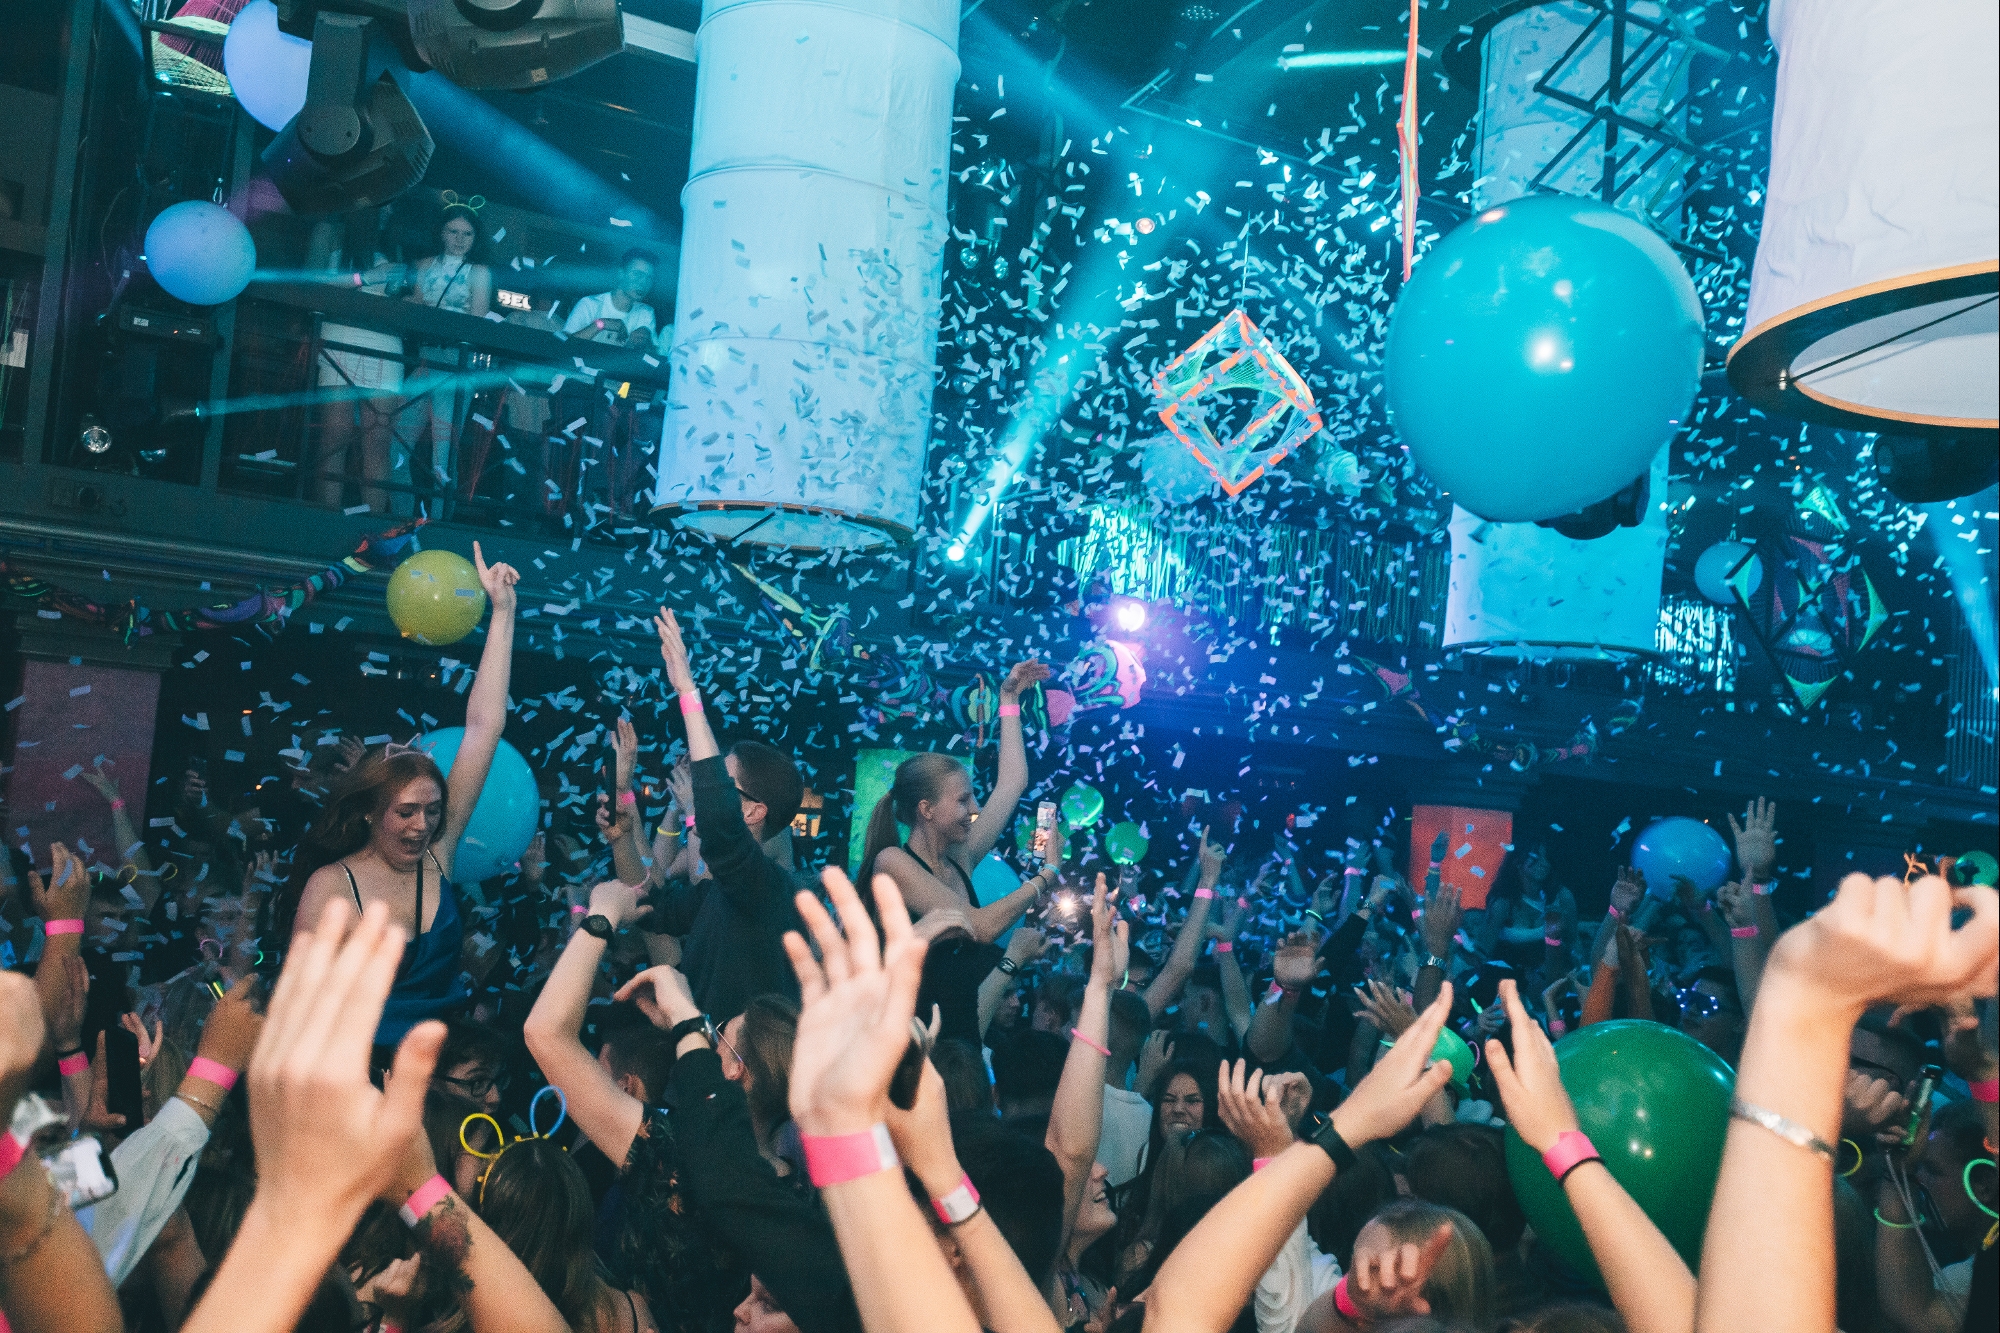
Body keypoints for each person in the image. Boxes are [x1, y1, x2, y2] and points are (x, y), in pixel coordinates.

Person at [268, 543, 518, 1046]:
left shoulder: (439, 857)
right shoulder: (331, 885)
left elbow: (484, 726)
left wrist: (503, 614)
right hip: (353, 1074)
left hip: (439, 1068)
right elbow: (298, 1008)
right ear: (368, 812)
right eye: (406, 812)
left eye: (433, 811)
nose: (422, 825)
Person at [857, 657, 1056, 1043]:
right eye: (963, 800)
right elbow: (978, 926)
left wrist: (1008, 699)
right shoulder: (892, 862)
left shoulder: (960, 855)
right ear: (927, 809)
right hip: (906, 1045)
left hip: (960, 1042)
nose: (975, 808)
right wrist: (1045, 876)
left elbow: (1012, 782)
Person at [649, 608, 809, 1022]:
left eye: (724, 782)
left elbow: (719, 825)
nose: (711, 788)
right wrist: (623, 813)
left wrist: (687, 691)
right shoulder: (716, 892)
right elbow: (649, 901)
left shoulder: (766, 888)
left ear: (754, 811)